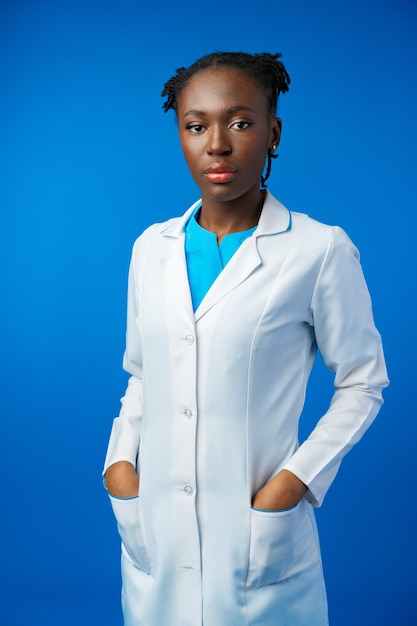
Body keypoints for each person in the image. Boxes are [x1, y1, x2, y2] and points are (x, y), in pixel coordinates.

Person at [103, 51, 389, 626]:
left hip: (259, 539)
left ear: (272, 131)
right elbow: (142, 374)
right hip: (155, 530)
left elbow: (363, 383)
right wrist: (118, 466)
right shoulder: (149, 249)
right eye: (195, 125)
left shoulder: (318, 249)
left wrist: (293, 482)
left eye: (239, 122)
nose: (217, 145)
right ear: (180, 134)